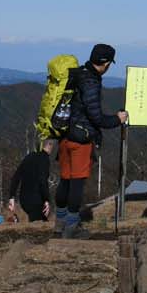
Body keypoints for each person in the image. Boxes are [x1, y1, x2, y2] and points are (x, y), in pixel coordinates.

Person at [55, 43, 129, 238]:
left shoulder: (78, 74)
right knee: (76, 183)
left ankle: (59, 223)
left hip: (64, 134)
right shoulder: (91, 81)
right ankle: (72, 227)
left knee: (65, 180)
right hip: (81, 138)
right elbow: (96, 116)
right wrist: (117, 119)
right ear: (105, 63)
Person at [8, 138, 55, 223]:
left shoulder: (29, 157)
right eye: (52, 144)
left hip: (24, 200)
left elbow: (16, 177)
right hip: (36, 199)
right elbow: (43, 180)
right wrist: (47, 200)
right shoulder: (44, 159)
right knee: (39, 225)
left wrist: (12, 197)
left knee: (40, 222)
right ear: (49, 145)